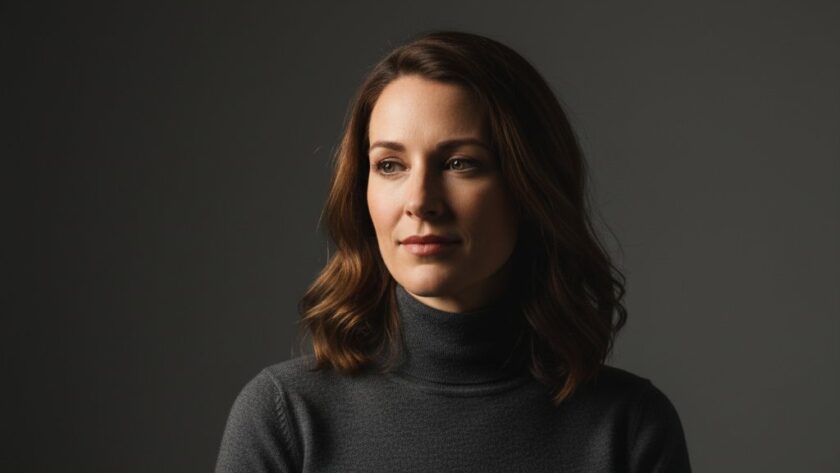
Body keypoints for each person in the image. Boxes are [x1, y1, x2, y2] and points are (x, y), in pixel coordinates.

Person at [214, 30, 692, 473]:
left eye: (460, 163)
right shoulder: (285, 416)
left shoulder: (628, 426)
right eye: (390, 165)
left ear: (530, 188)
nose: (421, 200)